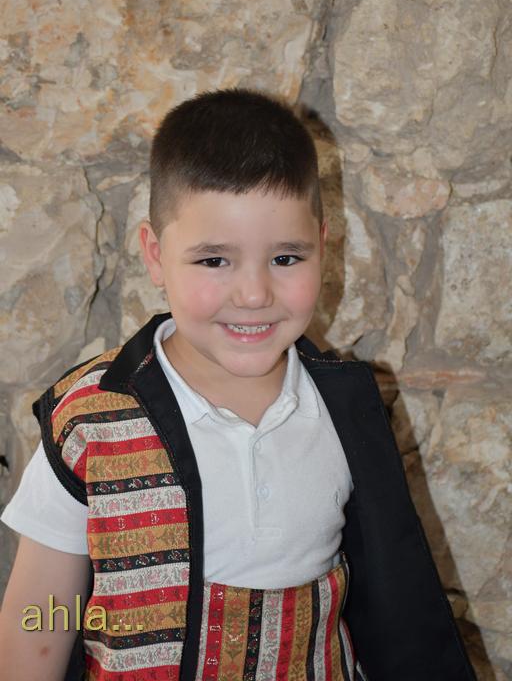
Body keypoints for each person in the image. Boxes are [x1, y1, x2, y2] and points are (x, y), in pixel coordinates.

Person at [0, 88, 476, 681]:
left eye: (286, 258)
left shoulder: (347, 411)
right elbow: (37, 620)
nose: (253, 295)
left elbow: (396, 610)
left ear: (323, 247)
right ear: (155, 255)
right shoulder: (88, 420)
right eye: (214, 260)